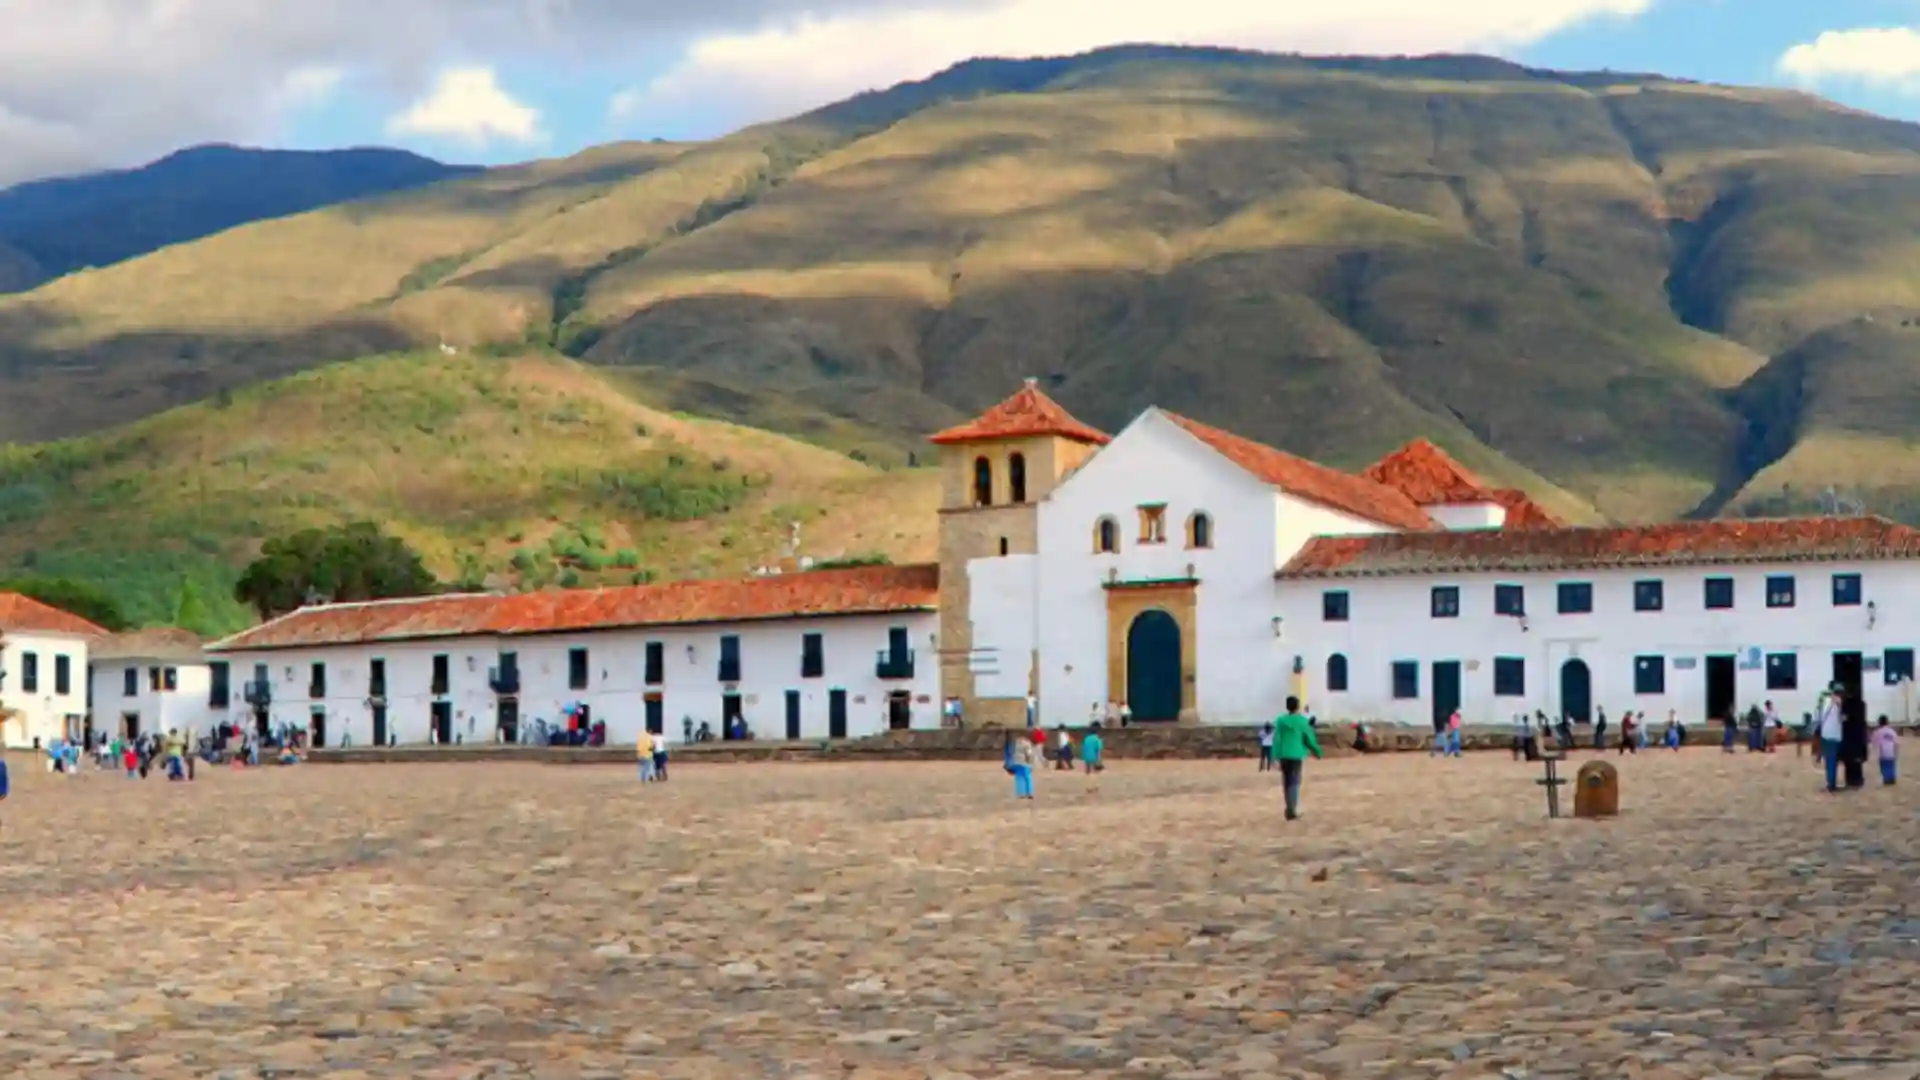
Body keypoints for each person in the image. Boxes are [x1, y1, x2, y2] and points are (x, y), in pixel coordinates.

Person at [1273, 696, 1323, 822]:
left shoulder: (1280, 721)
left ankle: (1288, 807)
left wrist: (1274, 756)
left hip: (1284, 755)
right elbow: (1308, 738)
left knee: (1287, 782)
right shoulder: (1302, 721)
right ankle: (1292, 810)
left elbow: (1276, 739)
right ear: (1297, 706)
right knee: (1295, 782)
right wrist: (1317, 752)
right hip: (1296, 754)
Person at [1818, 689, 1844, 793]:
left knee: (1829, 761)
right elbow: (1841, 719)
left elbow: (1820, 717)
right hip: (1837, 736)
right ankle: (1832, 783)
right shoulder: (1840, 704)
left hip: (1827, 735)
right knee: (1833, 761)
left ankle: (1831, 784)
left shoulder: (1827, 703)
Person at [1010, 729, 1040, 799]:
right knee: (1027, 778)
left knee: (1019, 778)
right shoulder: (1027, 743)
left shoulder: (1017, 742)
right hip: (1025, 763)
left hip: (1017, 762)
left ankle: (1021, 793)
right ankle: (1029, 793)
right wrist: (1031, 762)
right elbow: (1029, 754)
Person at [1874, 715, 1898, 786]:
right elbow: (1895, 742)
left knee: (1884, 766)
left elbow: (1876, 743)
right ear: (1887, 722)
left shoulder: (1878, 732)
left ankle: (1886, 779)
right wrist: (1896, 752)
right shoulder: (1892, 731)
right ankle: (1892, 779)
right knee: (1891, 765)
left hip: (1883, 752)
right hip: (1892, 751)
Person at [1081, 722, 1104, 791]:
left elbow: (1083, 748)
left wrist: (1084, 757)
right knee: (1095, 772)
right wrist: (1099, 759)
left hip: (1086, 757)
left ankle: (1087, 786)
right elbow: (1099, 750)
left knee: (1087, 772)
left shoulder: (1086, 738)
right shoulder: (1097, 739)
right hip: (1094, 757)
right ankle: (1094, 786)